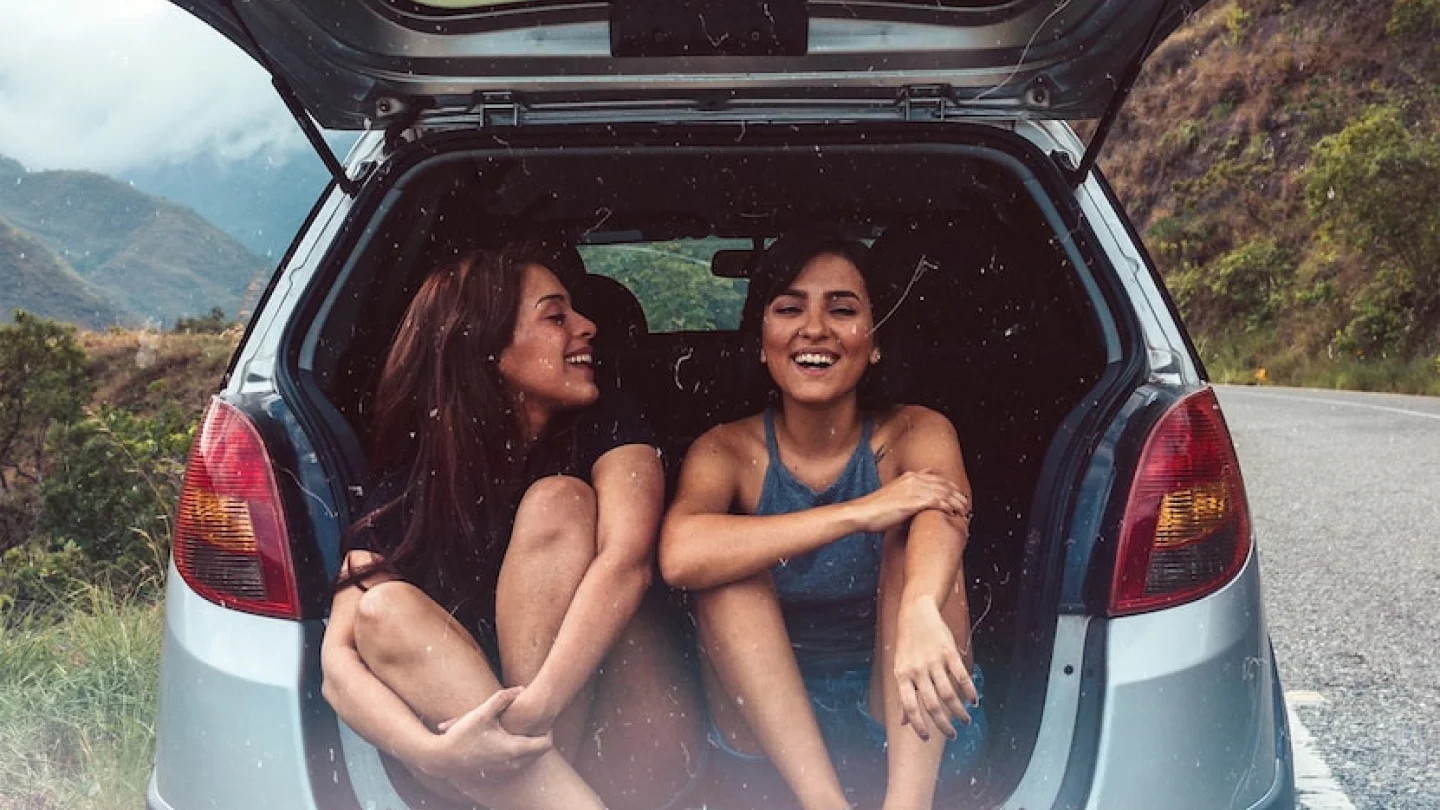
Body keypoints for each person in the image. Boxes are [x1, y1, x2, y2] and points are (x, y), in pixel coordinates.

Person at [320, 239, 702, 810]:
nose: (588, 326)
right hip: (480, 763)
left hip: (624, 733)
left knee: (559, 502)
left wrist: (532, 713)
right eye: (556, 316)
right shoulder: (415, 482)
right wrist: (431, 753)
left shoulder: (610, 426)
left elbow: (627, 563)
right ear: (488, 349)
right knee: (380, 609)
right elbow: (337, 665)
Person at [659, 230, 986, 810]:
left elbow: (945, 513)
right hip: (773, 745)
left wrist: (918, 608)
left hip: (909, 718)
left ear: (876, 341)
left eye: (842, 309)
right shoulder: (727, 448)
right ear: (762, 344)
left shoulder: (916, 430)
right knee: (725, 577)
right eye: (789, 308)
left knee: (920, 556)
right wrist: (859, 512)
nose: (814, 328)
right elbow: (681, 554)